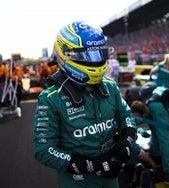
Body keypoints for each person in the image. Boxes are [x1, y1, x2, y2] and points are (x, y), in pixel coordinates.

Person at [33, 21, 137, 188]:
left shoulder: (110, 86)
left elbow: (127, 116)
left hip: (112, 176)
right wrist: (93, 166)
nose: (95, 62)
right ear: (65, 54)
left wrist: (128, 139)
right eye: (87, 56)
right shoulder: (50, 98)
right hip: (78, 182)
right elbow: (44, 150)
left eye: (99, 55)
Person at [138, 82, 169, 185]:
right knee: (165, 137)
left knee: (155, 133)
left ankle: (157, 159)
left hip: (147, 106)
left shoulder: (155, 92)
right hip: (158, 106)